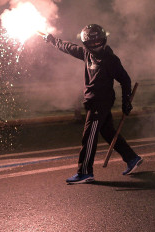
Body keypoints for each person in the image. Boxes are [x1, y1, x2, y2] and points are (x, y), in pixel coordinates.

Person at [39, 24, 143, 184]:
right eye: (92, 42)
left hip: (100, 102)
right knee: (108, 132)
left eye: (98, 41)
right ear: (86, 43)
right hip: (93, 101)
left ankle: (85, 172)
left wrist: (126, 101)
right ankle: (131, 158)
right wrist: (52, 40)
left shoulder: (111, 60)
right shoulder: (86, 54)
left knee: (89, 137)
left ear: (104, 40)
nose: (95, 45)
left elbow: (125, 79)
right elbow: (68, 47)